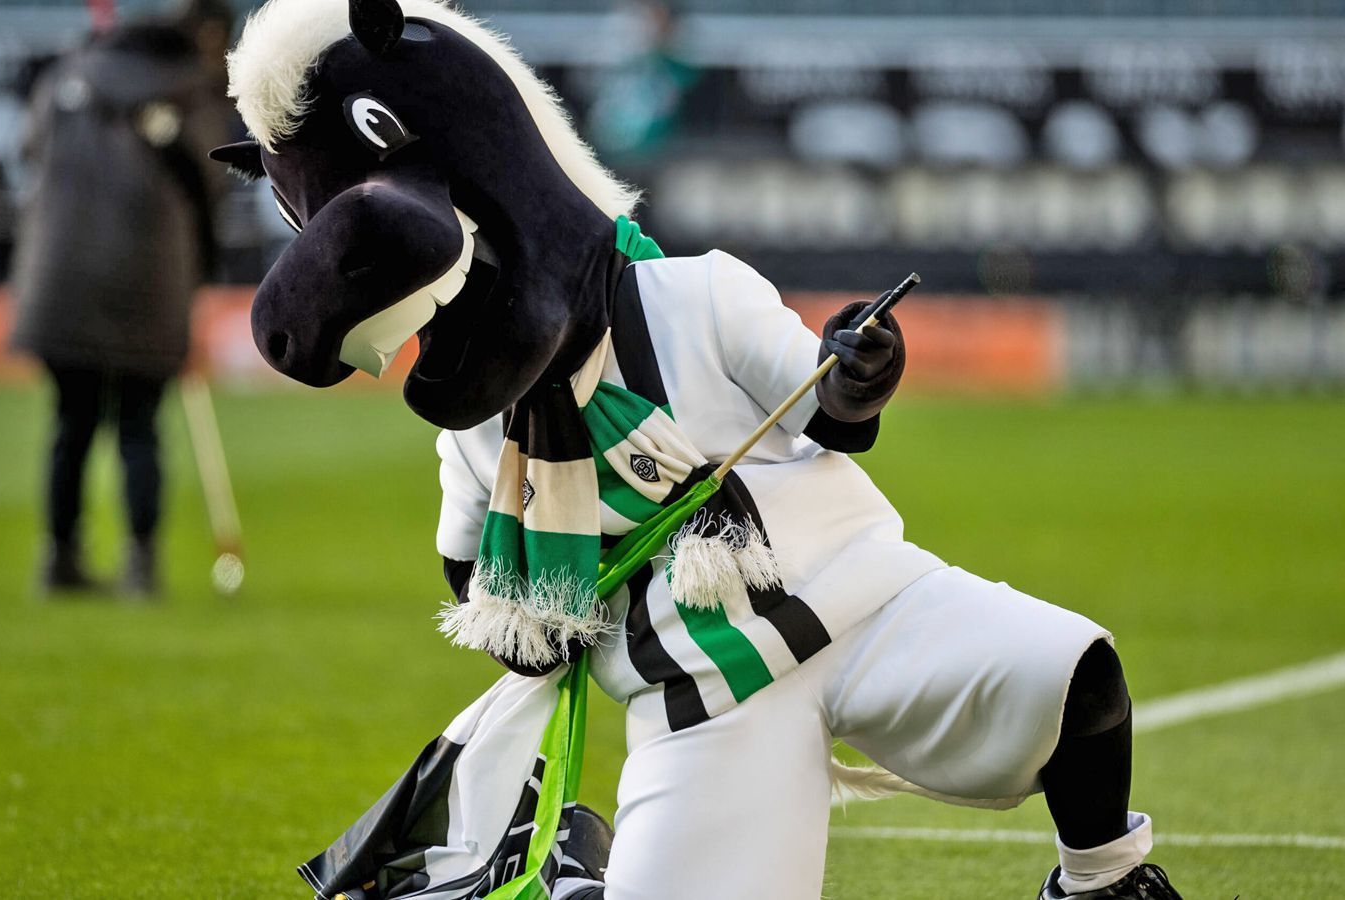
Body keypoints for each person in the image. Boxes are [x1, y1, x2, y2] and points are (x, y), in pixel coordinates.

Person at [213, 0, 1184, 896]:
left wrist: (860, 359)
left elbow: (833, 410)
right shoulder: (480, 435)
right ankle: (572, 878)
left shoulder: (695, 296)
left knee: (1073, 674)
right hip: (703, 700)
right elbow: (474, 579)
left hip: (865, 601)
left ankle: (1102, 879)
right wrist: (532, 598)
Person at [9, 0, 235, 597]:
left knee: (70, 421)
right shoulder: (194, 86)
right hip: (148, 278)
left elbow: (28, 149)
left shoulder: (68, 73)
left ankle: (58, 559)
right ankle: (140, 566)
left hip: (57, 276)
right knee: (138, 426)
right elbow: (212, 180)